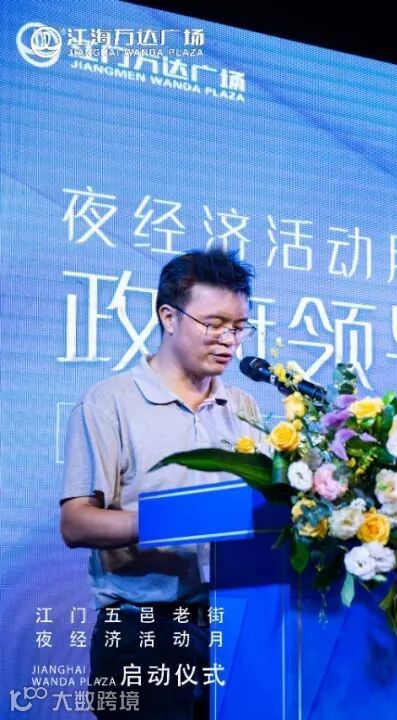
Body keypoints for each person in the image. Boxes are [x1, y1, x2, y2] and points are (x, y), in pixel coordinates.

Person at [60, 249, 263, 720]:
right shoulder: (110, 402)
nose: (229, 340)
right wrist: (172, 519)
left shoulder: (244, 407)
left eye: (239, 328)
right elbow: (75, 523)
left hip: (235, 624)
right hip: (143, 633)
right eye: (214, 324)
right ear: (168, 317)